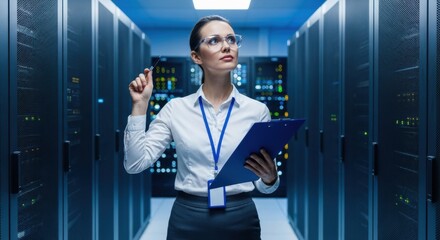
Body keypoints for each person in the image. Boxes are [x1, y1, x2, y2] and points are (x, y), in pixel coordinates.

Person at [124, 15, 280, 240]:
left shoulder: (257, 111)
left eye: (231, 39)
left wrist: (270, 178)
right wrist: (140, 106)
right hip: (188, 217)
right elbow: (135, 164)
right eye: (214, 41)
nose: (227, 46)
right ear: (196, 57)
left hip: (241, 217)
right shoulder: (175, 109)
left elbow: (266, 186)